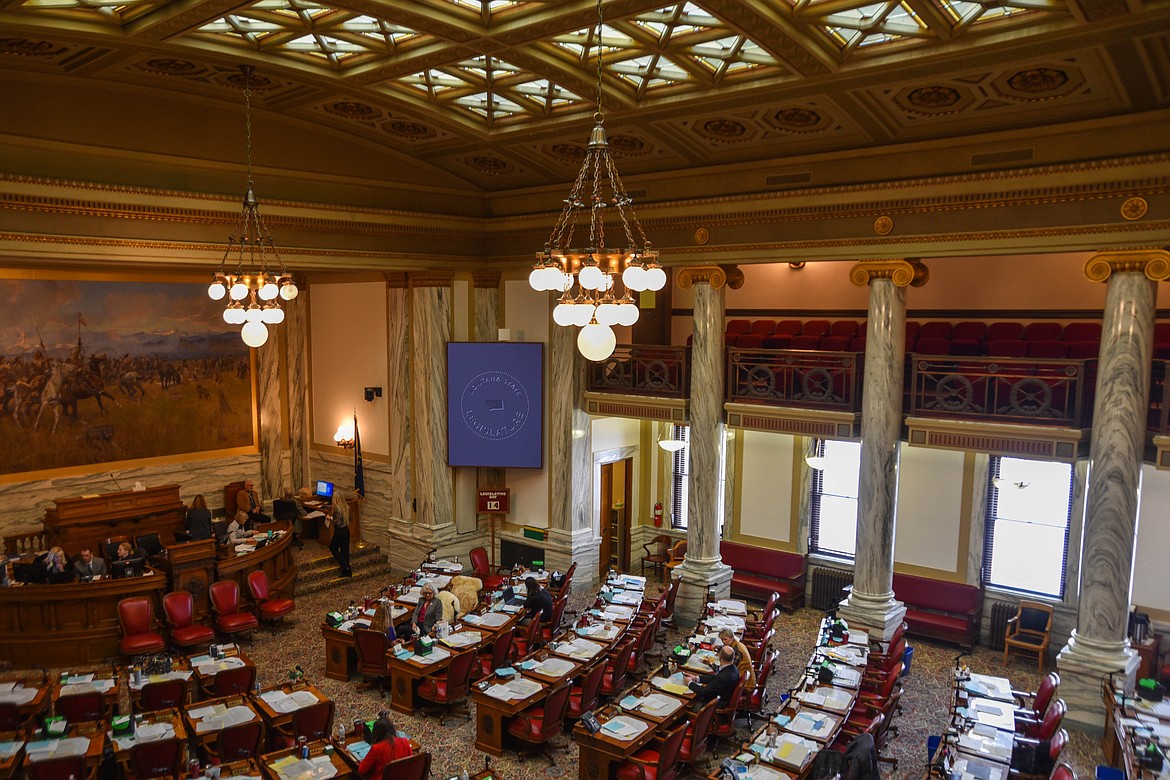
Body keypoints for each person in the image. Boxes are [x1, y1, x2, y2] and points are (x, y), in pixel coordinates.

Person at [327, 491, 351, 577]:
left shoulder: (336, 508)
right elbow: (350, 518)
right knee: (345, 551)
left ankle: (344, 566)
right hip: (346, 530)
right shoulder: (346, 507)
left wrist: (330, 518)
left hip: (339, 531)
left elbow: (337, 522)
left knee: (333, 548)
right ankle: (347, 571)